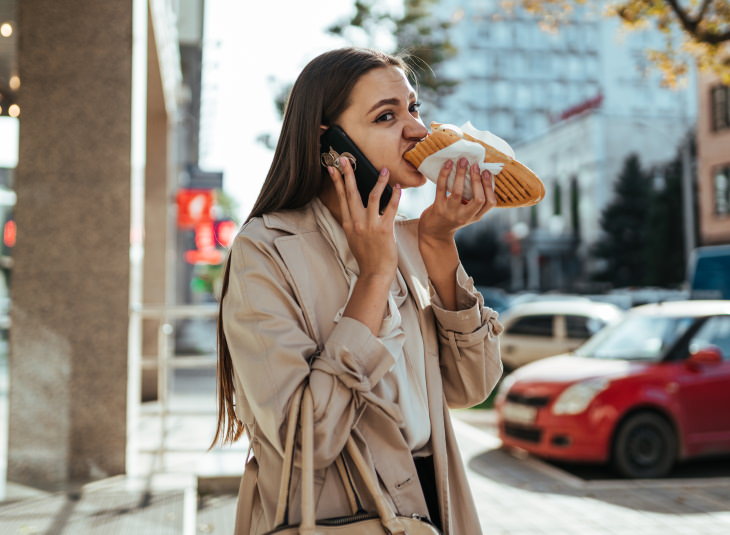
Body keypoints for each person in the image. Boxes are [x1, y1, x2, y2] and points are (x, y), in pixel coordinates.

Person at [212, 47, 504, 535]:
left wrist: (437, 244)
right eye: (387, 116)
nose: (418, 130)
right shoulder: (266, 250)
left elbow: (470, 387)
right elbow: (307, 441)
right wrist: (372, 279)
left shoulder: (412, 237)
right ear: (330, 143)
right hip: (340, 516)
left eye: (414, 108)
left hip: (437, 506)